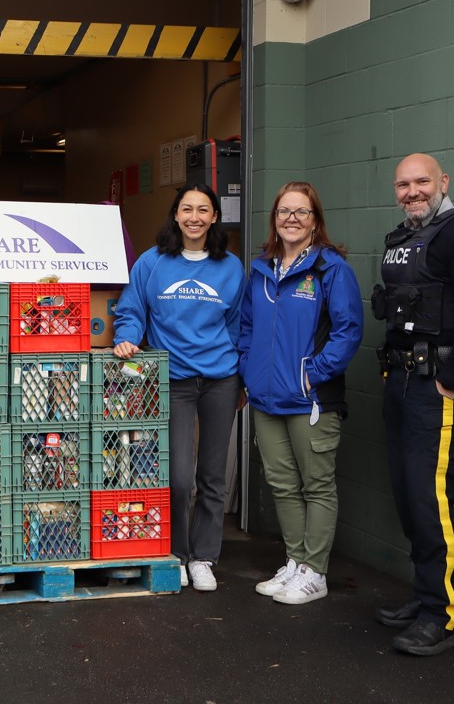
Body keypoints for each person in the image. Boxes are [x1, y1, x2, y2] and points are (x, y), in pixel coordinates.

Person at [371, 153, 454, 656]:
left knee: (431, 501)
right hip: (400, 381)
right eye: (403, 185)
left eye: (422, 181)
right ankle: (427, 593)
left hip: (434, 388)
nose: (412, 192)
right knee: (409, 498)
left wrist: (451, 380)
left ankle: (443, 615)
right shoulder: (404, 237)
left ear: (443, 181)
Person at [113, 183, 245, 592]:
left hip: (221, 379)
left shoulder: (231, 267)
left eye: (203, 210)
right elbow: (132, 308)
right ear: (175, 214)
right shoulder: (152, 262)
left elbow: (238, 326)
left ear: (214, 217)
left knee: (212, 475)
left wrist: (241, 378)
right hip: (174, 379)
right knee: (179, 476)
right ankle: (178, 554)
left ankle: (204, 557)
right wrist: (127, 337)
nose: (194, 217)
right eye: (187, 209)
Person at [238, 182, 363, 605]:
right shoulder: (261, 269)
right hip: (265, 398)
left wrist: (314, 375)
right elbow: (247, 327)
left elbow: (348, 331)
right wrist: (248, 370)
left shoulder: (331, 270)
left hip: (311, 400)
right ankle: (294, 563)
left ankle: (315, 571)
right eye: (284, 211)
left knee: (317, 485)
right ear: (274, 218)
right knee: (281, 483)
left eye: (301, 212)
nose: (291, 219)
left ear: (315, 220)